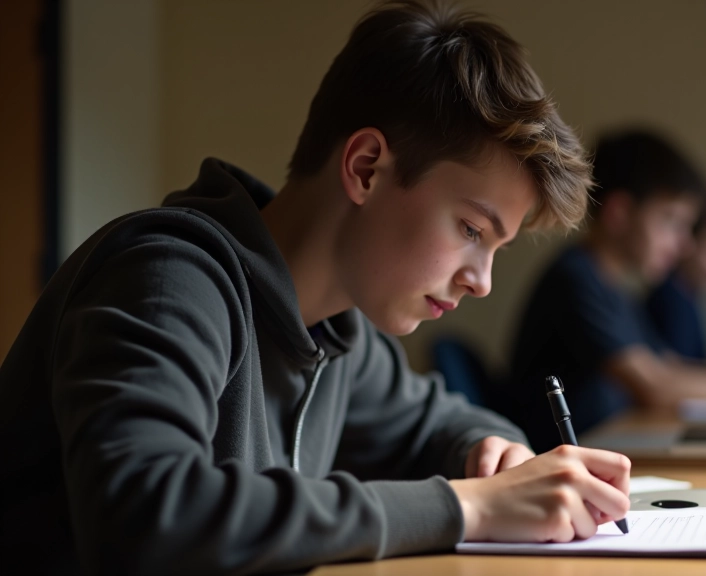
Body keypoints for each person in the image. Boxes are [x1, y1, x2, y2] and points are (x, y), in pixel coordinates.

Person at [0, 2, 631, 574]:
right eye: (471, 229)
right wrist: (470, 508)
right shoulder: (165, 280)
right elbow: (145, 516)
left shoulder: (339, 332)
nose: (482, 281)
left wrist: (494, 455)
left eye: (496, 247)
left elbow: (441, 422)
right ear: (366, 168)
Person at [506, 130, 706, 452]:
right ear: (619, 213)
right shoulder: (576, 279)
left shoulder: (614, 289)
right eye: (670, 221)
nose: (685, 244)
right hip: (559, 461)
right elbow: (656, 387)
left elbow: (669, 366)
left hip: (605, 447)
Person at [646, 194, 706, 361]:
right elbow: (677, 372)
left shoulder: (689, 297)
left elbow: (698, 362)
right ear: (687, 243)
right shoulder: (672, 302)